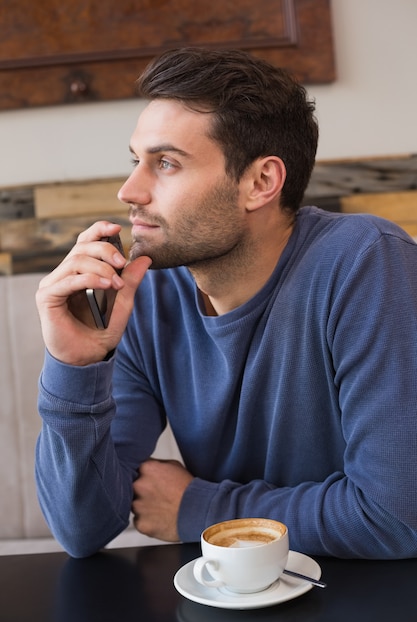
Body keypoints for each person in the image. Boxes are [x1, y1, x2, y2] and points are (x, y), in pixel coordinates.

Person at [35, 47, 417, 559]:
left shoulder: (366, 263)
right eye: (136, 161)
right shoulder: (141, 295)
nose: (130, 190)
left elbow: (397, 516)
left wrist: (202, 509)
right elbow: (82, 530)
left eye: (166, 163)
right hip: (228, 599)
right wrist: (74, 366)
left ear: (260, 183)